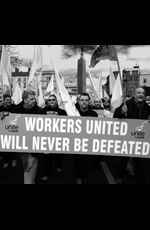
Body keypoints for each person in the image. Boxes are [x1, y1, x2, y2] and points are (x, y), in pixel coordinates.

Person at [114, 86, 150, 184]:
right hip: (127, 137)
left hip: (139, 137)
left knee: (139, 161)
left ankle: (138, 178)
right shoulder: (127, 104)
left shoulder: (146, 107)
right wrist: (122, 112)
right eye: (139, 93)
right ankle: (120, 175)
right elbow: (115, 115)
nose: (141, 95)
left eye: (143, 93)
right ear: (134, 95)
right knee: (124, 159)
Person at [12, 90, 44, 184]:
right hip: (22, 145)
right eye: (32, 99)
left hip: (34, 145)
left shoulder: (39, 111)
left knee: (30, 166)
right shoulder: (16, 110)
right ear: (25, 100)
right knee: (27, 166)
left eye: (35, 99)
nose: (34, 101)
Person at [74, 93, 98, 184]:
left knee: (89, 163)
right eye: (82, 100)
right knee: (78, 162)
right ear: (79, 101)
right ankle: (79, 177)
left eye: (86, 100)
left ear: (89, 101)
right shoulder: (74, 113)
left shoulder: (93, 113)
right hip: (77, 143)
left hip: (89, 143)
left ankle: (88, 177)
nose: (84, 102)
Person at [42, 94, 67, 181]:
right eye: (50, 100)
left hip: (58, 138)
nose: (52, 101)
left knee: (59, 155)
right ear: (47, 102)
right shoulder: (42, 112)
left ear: (56, 101)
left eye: (53, 100)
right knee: (46, 158)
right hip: (46, 139)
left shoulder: (63, 112)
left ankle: (58, 165)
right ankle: (46, 173)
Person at [0, 94, 17, 169]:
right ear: (3, 101)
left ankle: (14, 159)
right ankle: (6, 161)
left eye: (10, 99)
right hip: (3, 130)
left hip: (12, 129)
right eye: (7, 100)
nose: (9, 101)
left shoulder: (14, 108)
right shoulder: (0, 108)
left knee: (11, 146)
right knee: (4, 146)